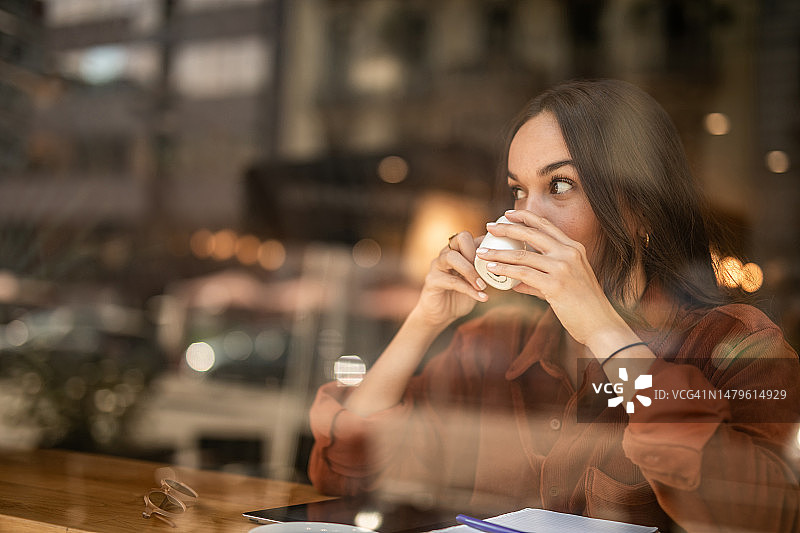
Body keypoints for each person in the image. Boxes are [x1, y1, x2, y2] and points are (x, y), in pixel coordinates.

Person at [307, 79, 800, 532]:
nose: (523, 216)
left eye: (559, 186)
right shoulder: (497, 342)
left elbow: (759, 518)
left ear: (639, 208)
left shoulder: (732, 343)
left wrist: (604, 333)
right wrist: (424, 320)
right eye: (519, 190)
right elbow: (347, 468)